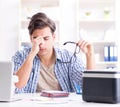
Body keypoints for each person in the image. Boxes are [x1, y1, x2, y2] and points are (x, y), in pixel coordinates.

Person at [12, 12, 95, 93]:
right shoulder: (20, 56)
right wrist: (32, 54)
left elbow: (90, 86)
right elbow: (18, 84)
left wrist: (89, 55)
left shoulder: (68, 58)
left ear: (54, 37)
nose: (41, 44)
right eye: (37, 39)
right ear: (31, 39)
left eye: (46, 38)